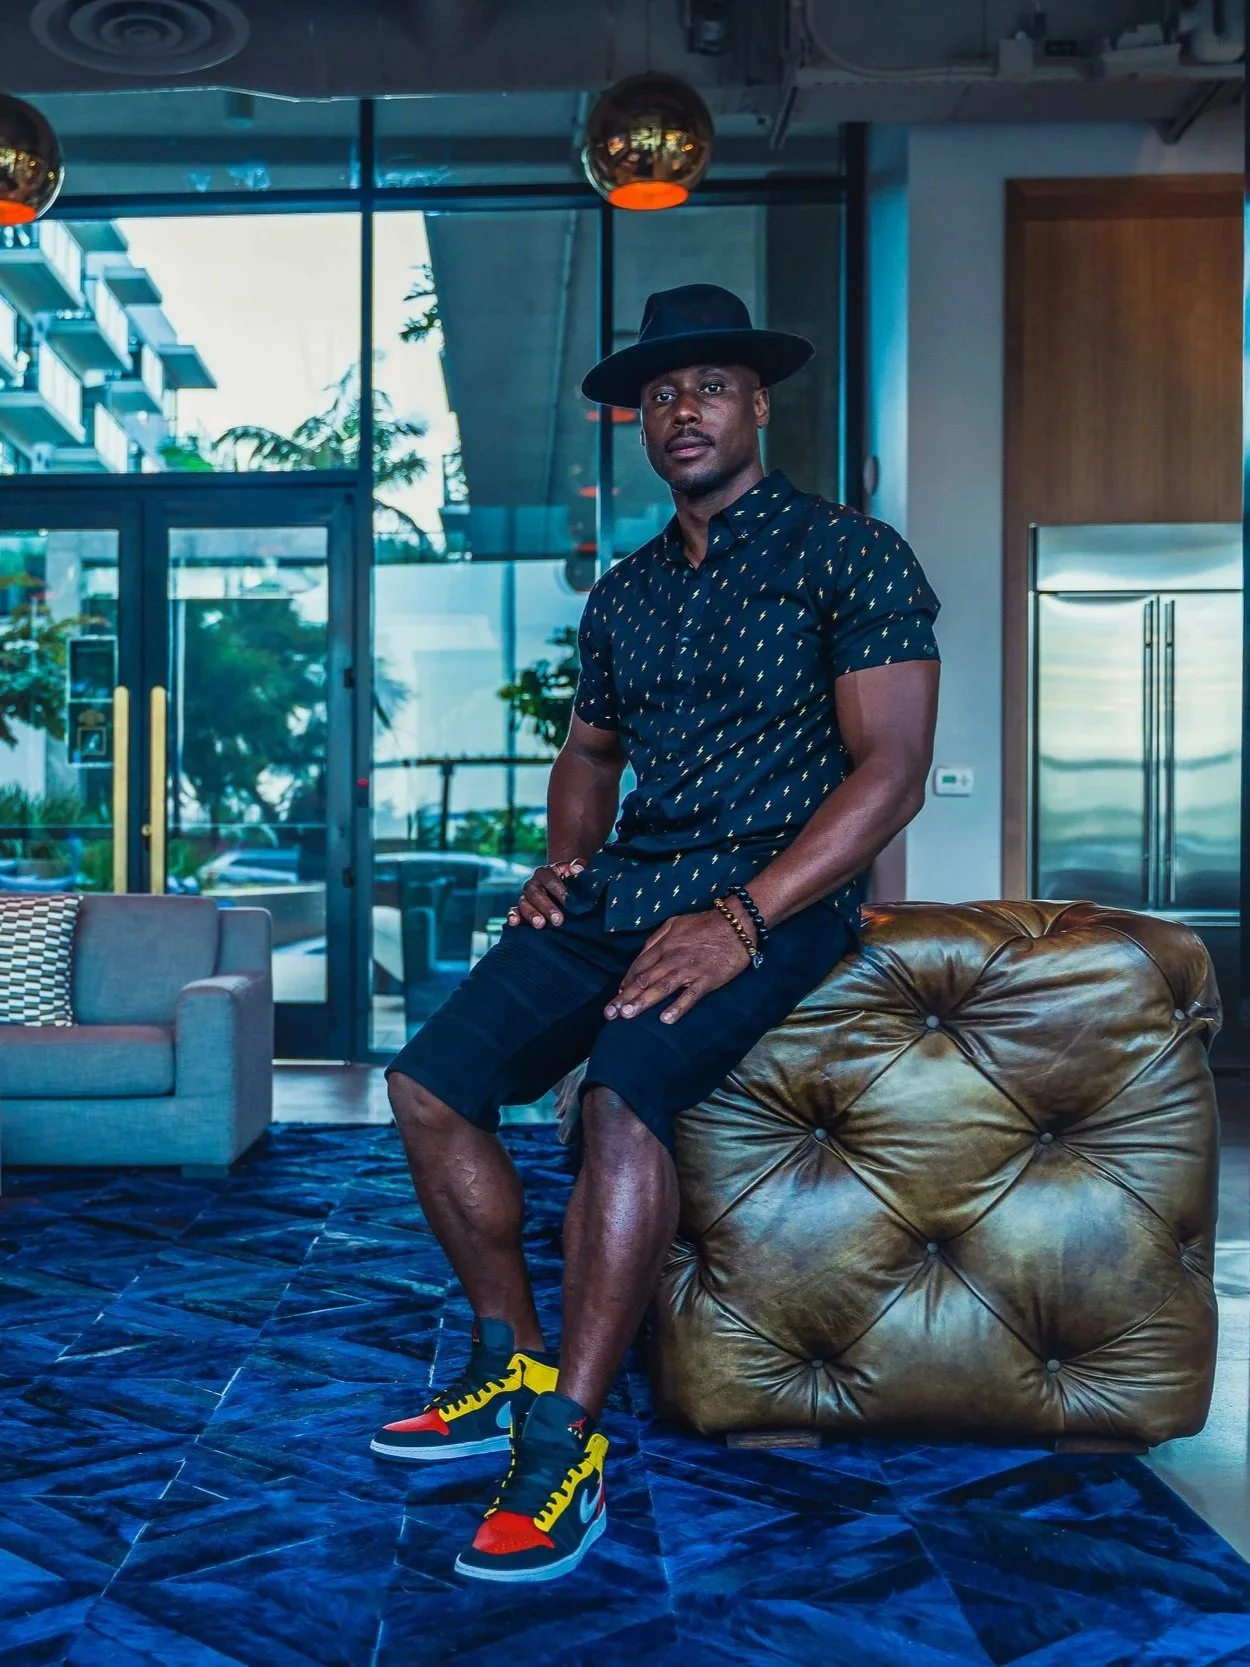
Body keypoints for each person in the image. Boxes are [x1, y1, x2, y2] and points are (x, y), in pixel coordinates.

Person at [374, 283, 941, 1584]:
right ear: (643, 421)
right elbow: (591, 747)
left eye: (711, 387)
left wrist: (743, 914)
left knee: (621, 1094)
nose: (684, 410)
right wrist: (563, 863)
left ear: (758, 402)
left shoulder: (849, 554)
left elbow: (891, 767)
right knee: (425, 1084)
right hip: (628, 883)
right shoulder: (624, 591)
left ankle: (567, 1440)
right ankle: (509, 1363)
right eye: (661, 394)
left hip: (769, 902)